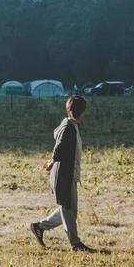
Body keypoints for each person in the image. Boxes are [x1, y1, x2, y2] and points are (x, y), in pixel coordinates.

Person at [30, 95, 94, 252]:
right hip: (64, 176)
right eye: (82, 112)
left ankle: (39, 227)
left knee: (69, 210)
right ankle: (76, 244)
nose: (84, 114)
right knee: (68, 210)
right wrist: (51, 162)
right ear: (73, 113)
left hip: (69, 174)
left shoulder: (72, 125)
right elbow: (58, 149)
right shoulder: (68, 128)